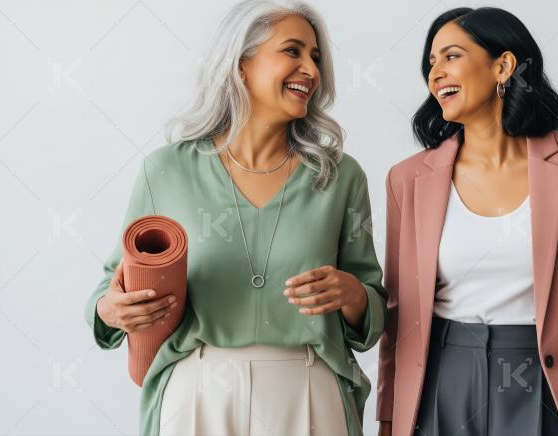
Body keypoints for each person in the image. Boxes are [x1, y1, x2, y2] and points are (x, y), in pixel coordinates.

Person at [83, 1, 387, 435]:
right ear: (241, 64)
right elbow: (110, 289)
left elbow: (373, 311)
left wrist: (353, 294)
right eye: (293, 51)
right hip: (197, 391)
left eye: (315, 57)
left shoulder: (339, 177)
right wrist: (112, 310)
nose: (311, 70)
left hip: (307, 389)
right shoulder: (167, 169)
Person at [377, 7, 558, 436]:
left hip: (547, 381)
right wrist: (389, 417)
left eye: (451, 56)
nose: (435, 73)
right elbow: (398, 313)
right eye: (430, 62)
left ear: (503, 65)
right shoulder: (408, 178)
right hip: (441, 381)